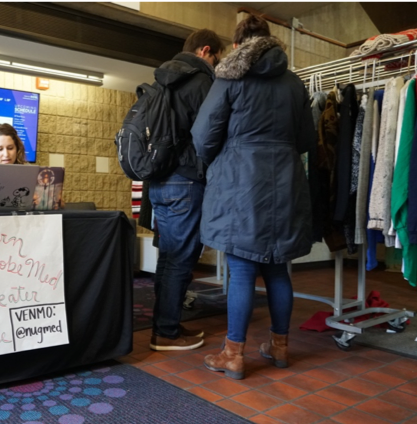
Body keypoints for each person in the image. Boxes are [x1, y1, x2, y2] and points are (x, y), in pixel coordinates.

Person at [190, 15, 314, 379]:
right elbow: (306, 139)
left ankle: (233, 354)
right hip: (286, 182)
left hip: (241, 182)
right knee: (278, 268)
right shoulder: (294, 83)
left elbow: (203, 135)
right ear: (270, 41)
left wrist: (224, 158)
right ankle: (279, 347)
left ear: (239, 43)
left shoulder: (230, 77)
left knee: (242, 268)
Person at [148, 29, 224, 351]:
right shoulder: (201, 82)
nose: (217, 65)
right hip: (185, 181)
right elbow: (210, 136)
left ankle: (161, 325)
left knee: (167, 257)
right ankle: (167, 332)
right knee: (180, 260)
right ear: (206, 50)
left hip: (157, 182)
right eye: (217, 58)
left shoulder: (160, 80)